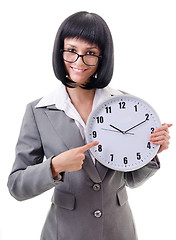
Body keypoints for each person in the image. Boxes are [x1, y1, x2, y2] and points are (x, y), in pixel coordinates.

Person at [7, 11, 172, 240]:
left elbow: (133, 179)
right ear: (60, 51)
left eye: (90, 53)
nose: (79, 61)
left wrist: (151, 151)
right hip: (64, 232)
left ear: (102, 57)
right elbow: (16, 186)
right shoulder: (38, 111)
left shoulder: (127, 105)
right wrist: (54, 166)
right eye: (72, 51)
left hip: (118, 231)